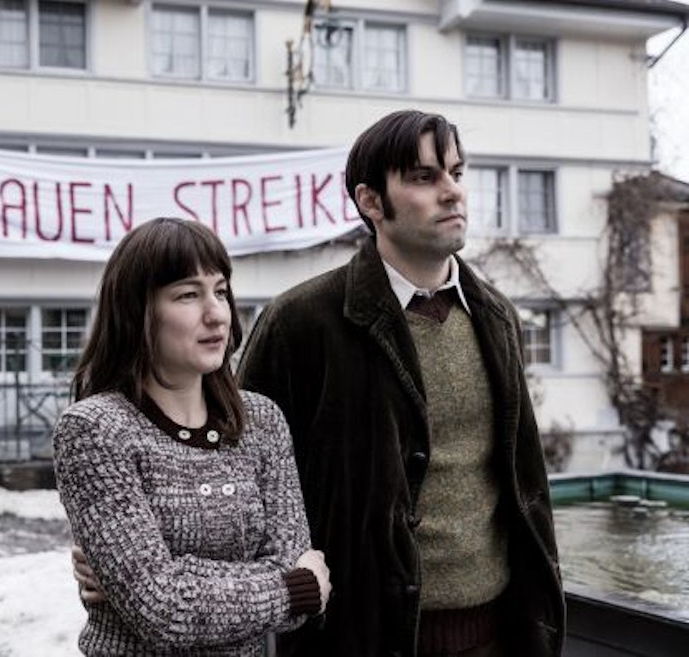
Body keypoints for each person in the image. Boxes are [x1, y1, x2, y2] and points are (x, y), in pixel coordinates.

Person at [237, 110, 565, 656]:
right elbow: (235, 472)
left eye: (456, 173)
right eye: (423, 177)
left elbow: (521, 477)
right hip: (358, 637)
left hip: (496, 633)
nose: (451, 192)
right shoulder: (302, 321)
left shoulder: (497, 317)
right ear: (371, 202)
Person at [53, 217, 332, 656]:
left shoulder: (261, 421)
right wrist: (293, 589)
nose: (216, 313)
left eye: (220, 291)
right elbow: (162, 610)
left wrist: (159, 584)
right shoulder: (95, 430)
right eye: (188, 295)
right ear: (137, 310)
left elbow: (288, 572)